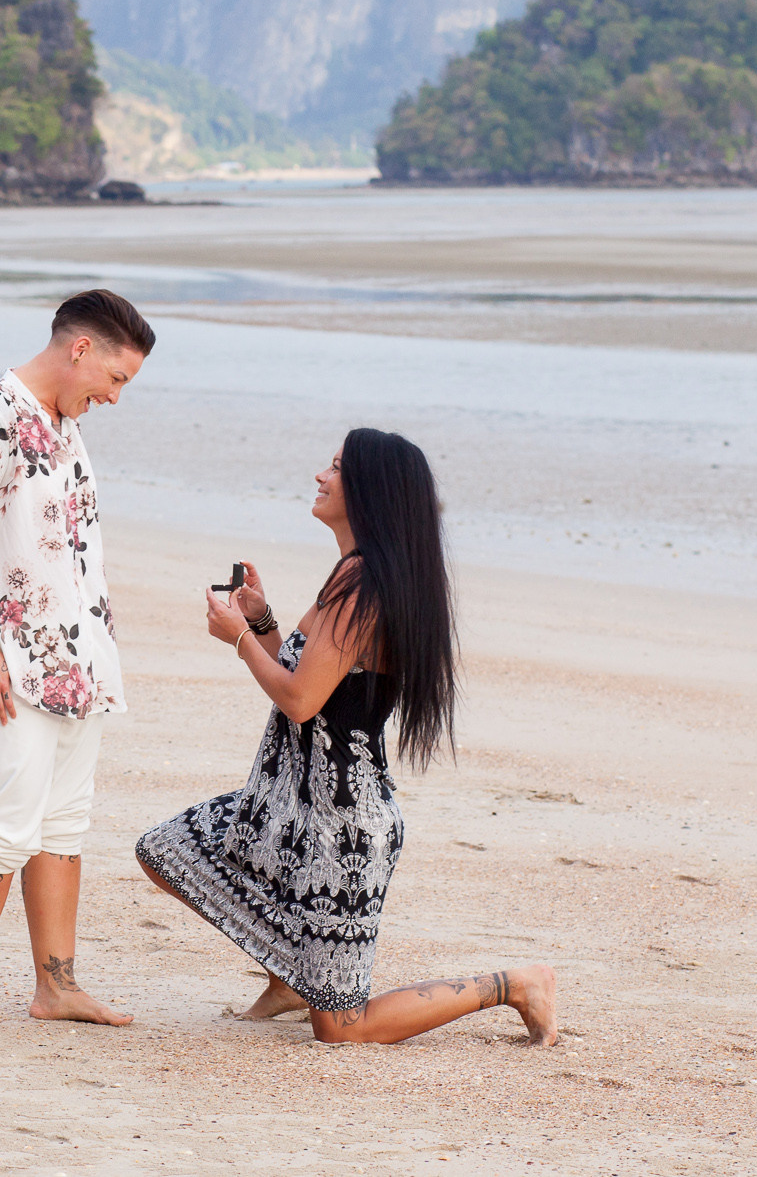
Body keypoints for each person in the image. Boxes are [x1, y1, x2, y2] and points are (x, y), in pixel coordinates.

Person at [135, 429, 558, 1045]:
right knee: (168, 852)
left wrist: (239, 640)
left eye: (335, 468)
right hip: (288, 808)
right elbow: (312, 678)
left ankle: (517, 983)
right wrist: (260, 621)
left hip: (342, 826)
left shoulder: (362, 584)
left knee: (342, 1029)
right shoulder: (355, 575)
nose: (320, 476)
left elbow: (301, 701)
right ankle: (294, 968)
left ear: (368, 490)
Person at [0, 288, 156, 1031]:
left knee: (64, 823)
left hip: (80, 657)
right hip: (12, 661)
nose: (116, 397)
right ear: (80, 349)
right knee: (6, 822)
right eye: (116, 379)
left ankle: (55, 986)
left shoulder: (66, 423)